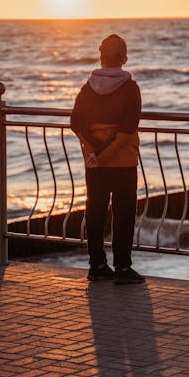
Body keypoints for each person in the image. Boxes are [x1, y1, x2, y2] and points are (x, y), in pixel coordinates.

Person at [71, 34, 145, 284]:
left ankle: (97, 264)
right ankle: (123, 268)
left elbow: (76, 121)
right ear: (124, 59)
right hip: (122, 161)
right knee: (123, 214)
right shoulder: (129, 88)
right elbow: (127, 129)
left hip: (94, 163)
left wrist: (93, 150)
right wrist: (107, 154)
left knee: (95, 211)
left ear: (100, 57)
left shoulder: (88, 87)